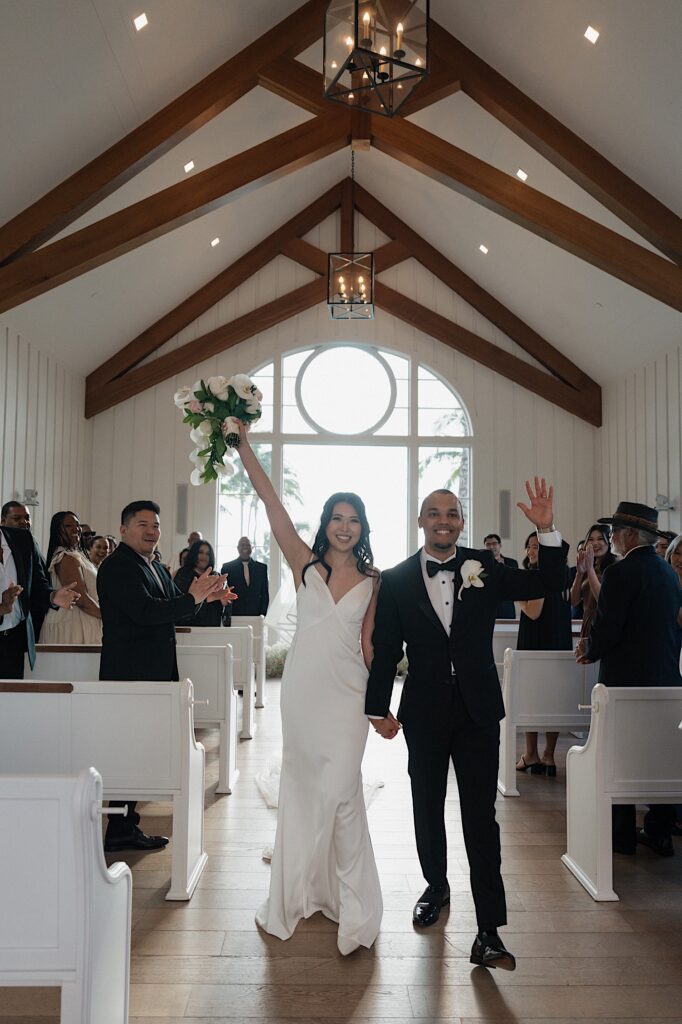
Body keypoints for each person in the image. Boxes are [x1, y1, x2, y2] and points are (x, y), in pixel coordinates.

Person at [366, 478, 568, 972]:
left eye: (452, 513)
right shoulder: (394, 580)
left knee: (482, 817)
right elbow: (388, 648)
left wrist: (546, 532)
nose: (443, 520)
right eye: (434, 513)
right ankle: (436, 886)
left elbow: (546, 584)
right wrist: (377, 706)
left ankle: (489, 931)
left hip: (479, 710)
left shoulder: (488, 566)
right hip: (424, 711)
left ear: (461, 521)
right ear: (420, 521)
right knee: (426, 804)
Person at [235, 426, 383, 955]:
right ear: (325, 524)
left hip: (348, 696)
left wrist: (380, 708)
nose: (344, 527)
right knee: (303, 792)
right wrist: (242, 445)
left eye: (353, 519)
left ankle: (354, 907)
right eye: (336, 518)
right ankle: (298, 895)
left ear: (363, 527)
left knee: (342, 793)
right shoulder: (305, 562)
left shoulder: (376, 579)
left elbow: (370, 646)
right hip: (302, 694)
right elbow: (271, 502)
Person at [97, 499, 233, 852]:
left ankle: (125, 827)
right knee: (127, 750)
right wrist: (192, 596)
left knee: (141, 750)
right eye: (143, 524)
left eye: (155, 525)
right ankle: (119, 827)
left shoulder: (154, 566)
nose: (152, 531)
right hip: (129, 673)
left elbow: (179, 608)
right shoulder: (117, 567)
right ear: (124, 528)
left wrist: (209, 596)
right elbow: (144, 612)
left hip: (154, 672)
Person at [577, 502, 682, 857]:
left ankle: (621, 836)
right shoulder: (669, 573)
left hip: (623, 682)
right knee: (661, 755)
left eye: (617, 531)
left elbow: (610, 628)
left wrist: (589, 650)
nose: (614, 537)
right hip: (666, 679)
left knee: (616, 755)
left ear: (630, 535)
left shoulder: (620, 574)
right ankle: (660, 831)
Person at [515, 532, 573, 776]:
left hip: (536, 640)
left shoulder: (536, 577)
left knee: (532, 696)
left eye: (537, 547)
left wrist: (515, 595)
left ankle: (531, 754)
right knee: (553, 697)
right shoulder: (562, 577)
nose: (531, 552)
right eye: (529, 547)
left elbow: (533, 612)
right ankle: (549, 755)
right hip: (558, 639)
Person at [1, 521, 78, 678]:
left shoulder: (22, 539)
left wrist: (52, 596)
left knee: (12, 699)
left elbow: (37, 582)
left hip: (15, 639)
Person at [40, 511, 102, 643]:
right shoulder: (66, 557)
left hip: (83, 619)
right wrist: (108, 616)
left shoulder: (78, 555)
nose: (76, 528)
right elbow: (80, 599)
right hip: (71, 622)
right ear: (57, 531)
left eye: (77, 524)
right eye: (68, 526)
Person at [1, 500, 49, 638]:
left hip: (17, 630)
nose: (24, 522)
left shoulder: (27, 545)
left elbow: (39, 581)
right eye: (17, 518)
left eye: (27, 518)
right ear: (3, 521)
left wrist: (53, 596)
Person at [571, 524, 618, 650]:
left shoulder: (615, 568)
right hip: (588, 622)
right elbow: (574, 600)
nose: (595, 543)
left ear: (609, 541)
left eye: (600, 539)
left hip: (604, 623)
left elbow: (602, 599)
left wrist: (590, 568)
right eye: (591, 539)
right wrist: (580, 573)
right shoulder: (589, 566)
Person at [174, 540, 231, 626]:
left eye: (207, 554)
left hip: (213, 629)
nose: (204, 557)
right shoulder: (183, 574)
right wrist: (211, 596)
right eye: (200, 552)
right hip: (189, 629)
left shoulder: (217, 576)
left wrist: (224, 602)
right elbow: (180, 604)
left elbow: (226, 614)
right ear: (194, 554)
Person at [221, 536, 269, 616]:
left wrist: (262, 615)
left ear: (252, 547)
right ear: (237, 548)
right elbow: (223, 593)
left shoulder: (261, 568)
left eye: (247, 545)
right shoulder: (227, 568)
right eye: (242, 545)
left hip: (256, 615)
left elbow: (265, 594)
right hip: (234, 615)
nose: (245, 547)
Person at [483, 533, 518, 618]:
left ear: (500, 545)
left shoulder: (512, 563)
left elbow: (514, 584)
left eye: (494, 544)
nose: (491, 547)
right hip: (487, 607)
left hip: (507, 606)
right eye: (488, 544)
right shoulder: (481, 565)